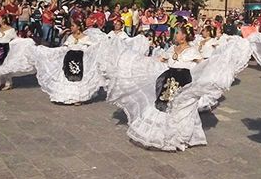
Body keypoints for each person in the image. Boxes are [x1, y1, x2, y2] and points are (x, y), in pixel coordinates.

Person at [104, 24, 252, 151]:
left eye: (178, 33)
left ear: (184, 36)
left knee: (177, 110)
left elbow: (202, 65)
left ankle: (175, 138)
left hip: (182, 84)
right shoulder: (172, 49)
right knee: (161, 107)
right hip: (168, 81)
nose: (175, 35)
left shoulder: (192, 51)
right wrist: (140, 61)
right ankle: (159, 136)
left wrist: (215, 66)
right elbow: (160, 59)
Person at [32, 19, 105, 105]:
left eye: (73, 26)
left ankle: (78, 98)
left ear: (78, 27)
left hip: (80, 62)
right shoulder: (70, 37)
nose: (71, 27)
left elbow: (90, 50)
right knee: (67, 78)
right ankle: (67, 97)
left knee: (79, 79)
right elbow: (65, 48)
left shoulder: (86, 38)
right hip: (69, 60)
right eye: (71, 26)